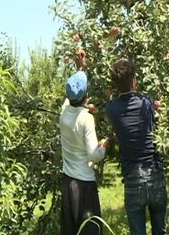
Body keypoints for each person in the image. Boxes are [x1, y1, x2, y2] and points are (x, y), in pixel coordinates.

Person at [105, 59, 167, 235]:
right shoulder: (146, 103)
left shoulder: (112, 109)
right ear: (134, 81)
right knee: (160, 230)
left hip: (133, 178)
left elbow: (113, 112)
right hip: (155, 173)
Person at [60, 52, 108, 235]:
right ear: (87, 95)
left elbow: (71, 95)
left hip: (68, 183)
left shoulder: (64, 113)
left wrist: (80, 68)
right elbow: (93, 155)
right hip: (84, 185)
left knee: (70, 230)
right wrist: (106, 143)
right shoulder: (86, 118)